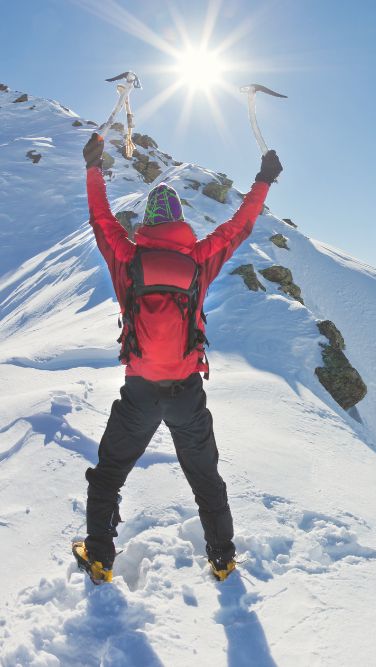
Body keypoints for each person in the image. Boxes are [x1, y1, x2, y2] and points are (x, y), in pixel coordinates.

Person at [72, 132, 282, 583]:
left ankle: (99, 557)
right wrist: (263, 180)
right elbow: (240, 226)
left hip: (139, 392)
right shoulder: (200, 259)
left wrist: (93, 168)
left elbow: (100, 218)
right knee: (206, 479)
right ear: (179, 220)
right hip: (186, 391)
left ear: (147, 221)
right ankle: (222, 559)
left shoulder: (127, 257)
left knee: (109, 474)